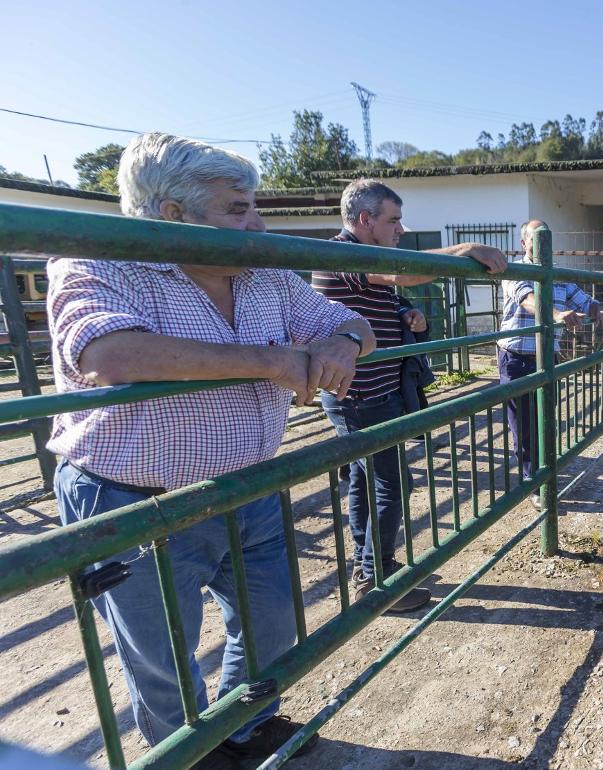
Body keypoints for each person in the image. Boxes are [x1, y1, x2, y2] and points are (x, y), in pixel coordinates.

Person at [46, 133, 375, 762]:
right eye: (235, 209)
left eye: (253, 206)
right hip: (135, 498)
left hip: (249, 488)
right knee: (162, 656)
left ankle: (242, 724)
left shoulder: (263, 277)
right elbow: (109, 354)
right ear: (171, 215)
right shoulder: (98, 261)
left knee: (273, 624)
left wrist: (343, 346)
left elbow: (344, 320)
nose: (255, 224)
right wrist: (270, 361)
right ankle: (184, 754)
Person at [312, 179, 506, 612]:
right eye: (393, 220)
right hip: (360, 394)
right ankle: (375, 580)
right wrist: (463, 251)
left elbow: (387, 290)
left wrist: (404, 310)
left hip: (372, 390)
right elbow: (399, 272)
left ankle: (369, 566)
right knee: (391, 483)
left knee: (366, 478)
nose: (400, 229)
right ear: (364, 221)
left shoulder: (359, 261)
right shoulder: (344, 255)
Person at [497, 220, 603, 507]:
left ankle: (543, 473)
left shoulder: (557, 275)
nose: (540, 246)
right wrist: (557, 314)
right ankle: (532, 482)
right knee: (523, 423)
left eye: (545, 239)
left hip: (547, 356)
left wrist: (598, 310)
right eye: (534, 240)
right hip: (517, 357)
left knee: (545, 417)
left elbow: (584, 299)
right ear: (524, 244)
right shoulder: (515, 270)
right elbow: (529, 300)